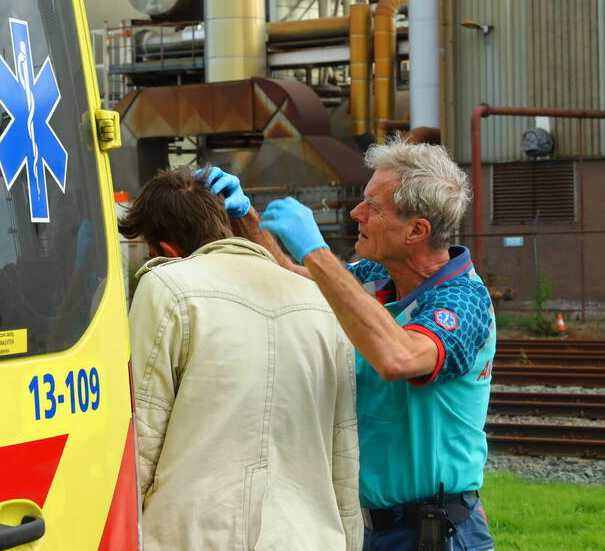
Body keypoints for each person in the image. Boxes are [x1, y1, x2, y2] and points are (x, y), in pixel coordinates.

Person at [210, 137, 496, 551]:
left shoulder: (463, 299)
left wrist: (318, 250)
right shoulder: (376, 277)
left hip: (432, 533)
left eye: (374, 208)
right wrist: (246, 217)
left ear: (417, 230)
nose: (356, 213)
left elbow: (399, 356)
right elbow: (293, 276)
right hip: (368, 527)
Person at [119, 166, 364, 551]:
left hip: (194, 536)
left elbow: (143, 435)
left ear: (166, 251)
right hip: (309, 537)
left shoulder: (165, 285)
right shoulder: (321, 300)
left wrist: (125, 533)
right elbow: (343, 447)